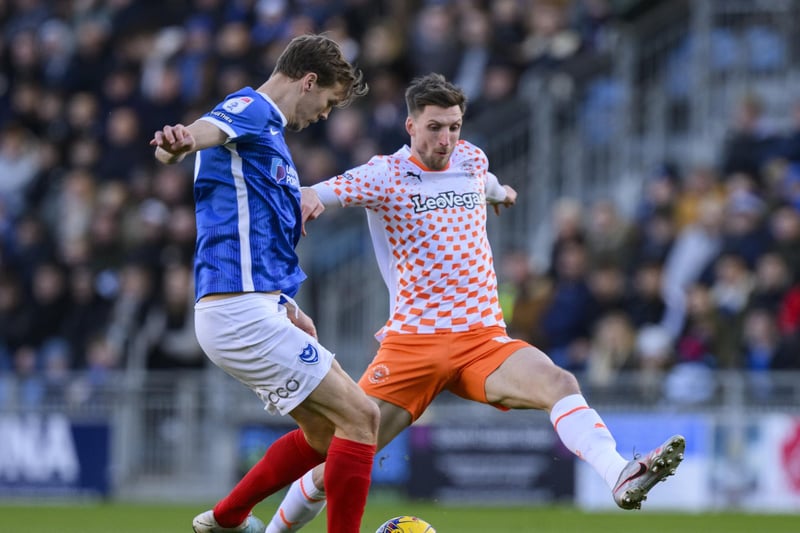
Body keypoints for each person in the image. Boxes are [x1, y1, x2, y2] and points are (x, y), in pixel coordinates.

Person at [266, 73, 685, 533]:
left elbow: (483, 181)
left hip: (482, 340)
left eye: (454, 126)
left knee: (559, 382)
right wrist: (307, 199)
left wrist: (501, 193)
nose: (446, 139)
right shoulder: (382, 174)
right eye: (434, 127)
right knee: (333, 465)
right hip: (414, 345)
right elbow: (320, 191)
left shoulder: (471, 159)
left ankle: (620, 474)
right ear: (410, 125)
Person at [149, 34, 379, 533]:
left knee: (323, 433)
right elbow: (203, 132)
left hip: (252, 307)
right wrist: (179, 142)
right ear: (309, 81)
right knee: (363, 418)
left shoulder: (268, 134)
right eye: (329, 102)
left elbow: (256, 229)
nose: (325, 114)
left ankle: (227, 518)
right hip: (239, 312)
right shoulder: (251, 108)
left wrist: (286, 302)